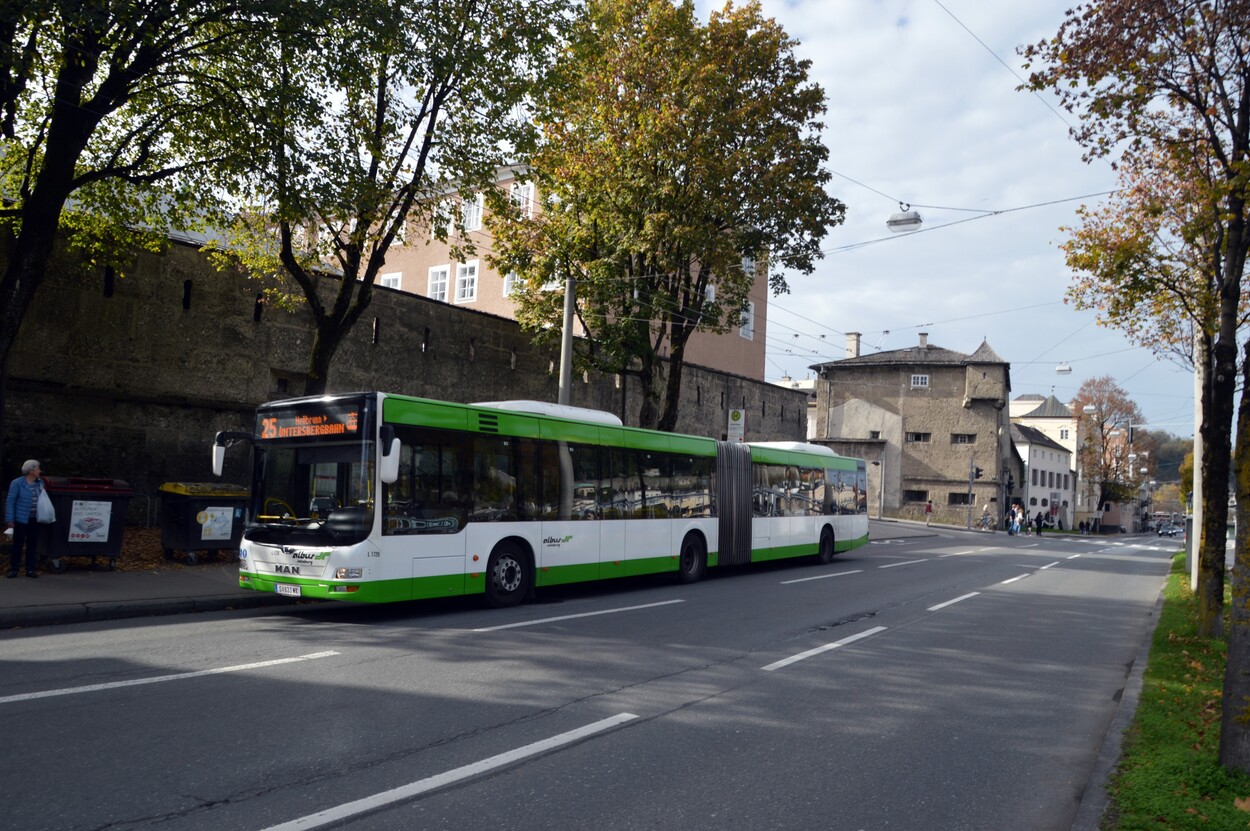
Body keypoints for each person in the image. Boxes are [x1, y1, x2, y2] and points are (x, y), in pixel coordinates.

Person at [5, 460, 45, 578]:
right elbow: (10, 501)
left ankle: (30, 569)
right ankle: (14, 569)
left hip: (35, 519)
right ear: (31, 470)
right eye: (37, 468)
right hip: (20, 519)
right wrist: (10, 520)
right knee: (18, 544)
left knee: (32, 545)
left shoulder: (40, 483)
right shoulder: (17, 483)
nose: (39, 471)